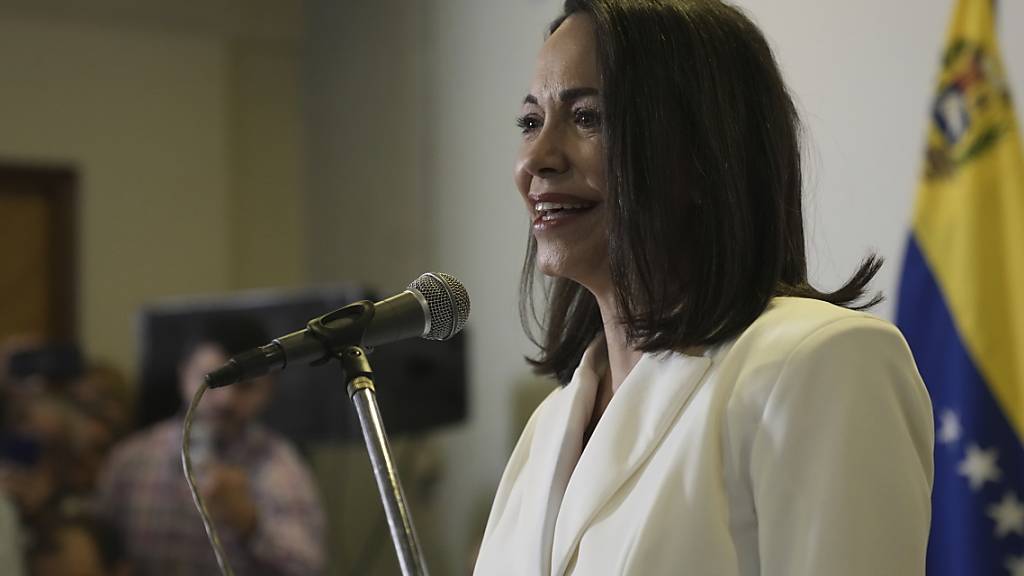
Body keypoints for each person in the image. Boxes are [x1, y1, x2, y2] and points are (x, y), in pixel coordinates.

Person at [473, 1, 933, 575]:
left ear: (699, 153)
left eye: (588, 116)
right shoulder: (550, 427)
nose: (536, 159)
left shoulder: (822, 362)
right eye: (530, 122)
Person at [98, 318, 326, 575]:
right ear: (184, 374)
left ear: (270, 390)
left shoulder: (283, 468)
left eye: (247, 386)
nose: (226, 400)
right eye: (213, 381)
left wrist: (250, 522)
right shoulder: (130, 460)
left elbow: (309, 566)